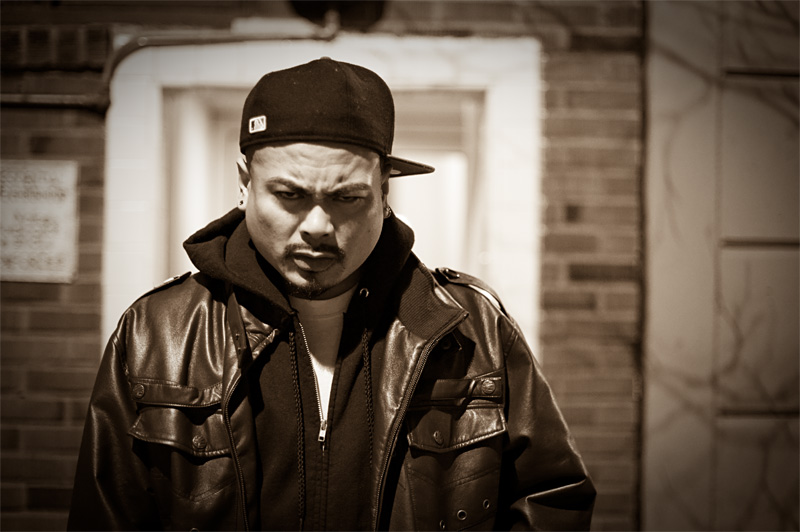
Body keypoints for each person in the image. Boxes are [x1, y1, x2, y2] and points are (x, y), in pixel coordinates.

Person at [68, 57, 595, 531]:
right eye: (289, 194)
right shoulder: (155, 333)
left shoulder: (472, 328)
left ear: (384, 193)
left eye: (347, 198)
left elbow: (551, 498)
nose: (318, 226)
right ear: (244, 183)